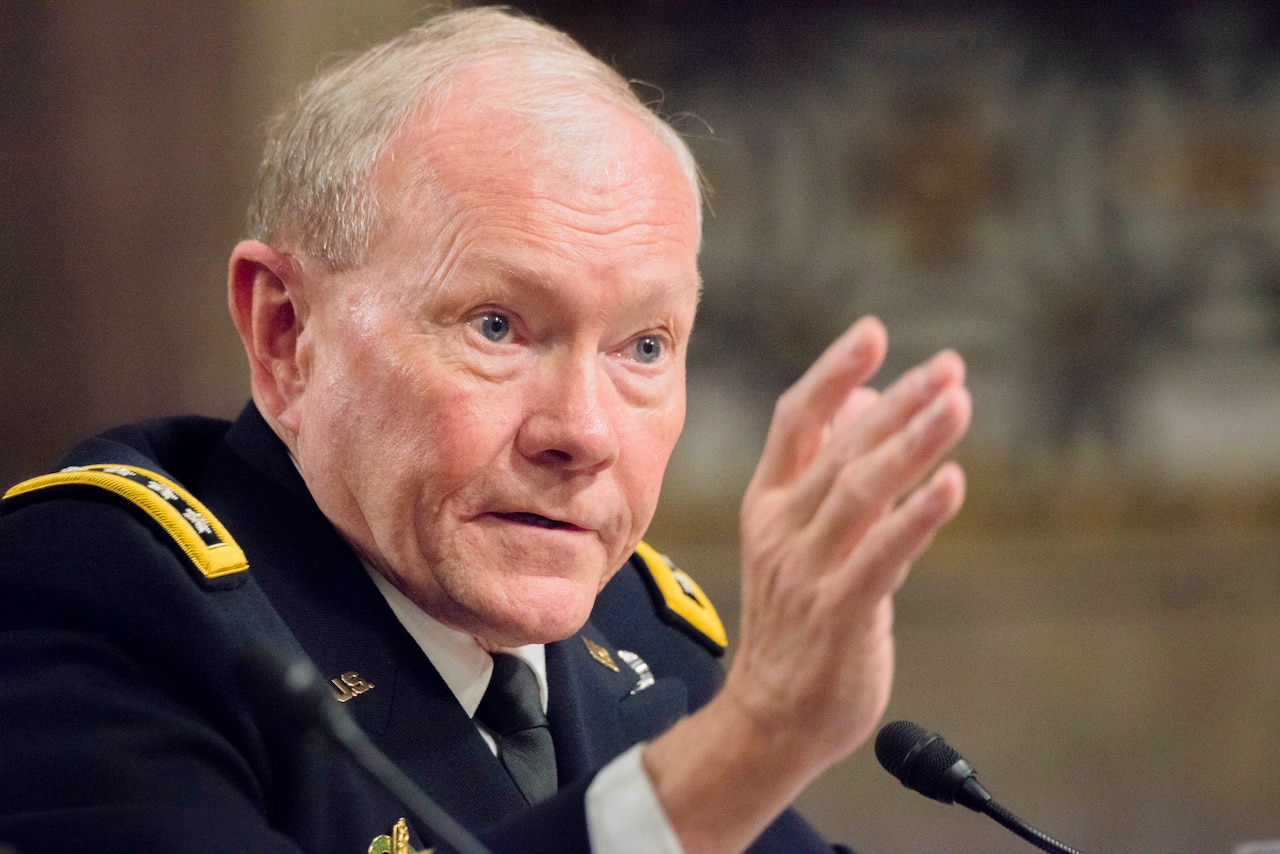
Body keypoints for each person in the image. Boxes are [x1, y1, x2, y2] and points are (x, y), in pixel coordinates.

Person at [0, 7, 971, 853]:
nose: (582, 432)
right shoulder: (99, 596)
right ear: (286, 333)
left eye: (641, 345)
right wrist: (745, 746)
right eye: (496, 326)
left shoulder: (637, 635)